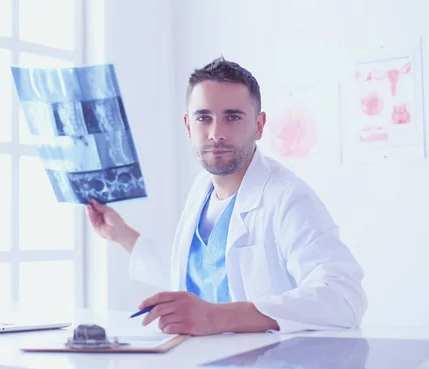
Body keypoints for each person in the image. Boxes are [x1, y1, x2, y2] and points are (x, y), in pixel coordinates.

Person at [85, 56, 367, 336]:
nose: (216, 133)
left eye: (232, 117)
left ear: (259, 125)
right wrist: (120, 233)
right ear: (187, 126)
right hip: (199, 367)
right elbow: (197, 275)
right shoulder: (201, 189)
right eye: (203, 118)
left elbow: (344, 298)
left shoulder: (288, 198)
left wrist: (217, 317)